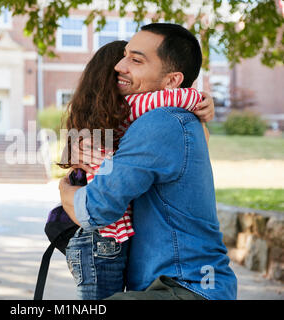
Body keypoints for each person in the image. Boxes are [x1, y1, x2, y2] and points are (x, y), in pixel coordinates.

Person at [59, 23, 237, 300]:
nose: (120, 66)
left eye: (136, 59)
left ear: (171, 81)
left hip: (188, 286)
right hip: (172, 286)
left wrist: (64, 190)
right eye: (124, 55)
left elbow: (95, 209)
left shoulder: (160, 121)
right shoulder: (155, 119)